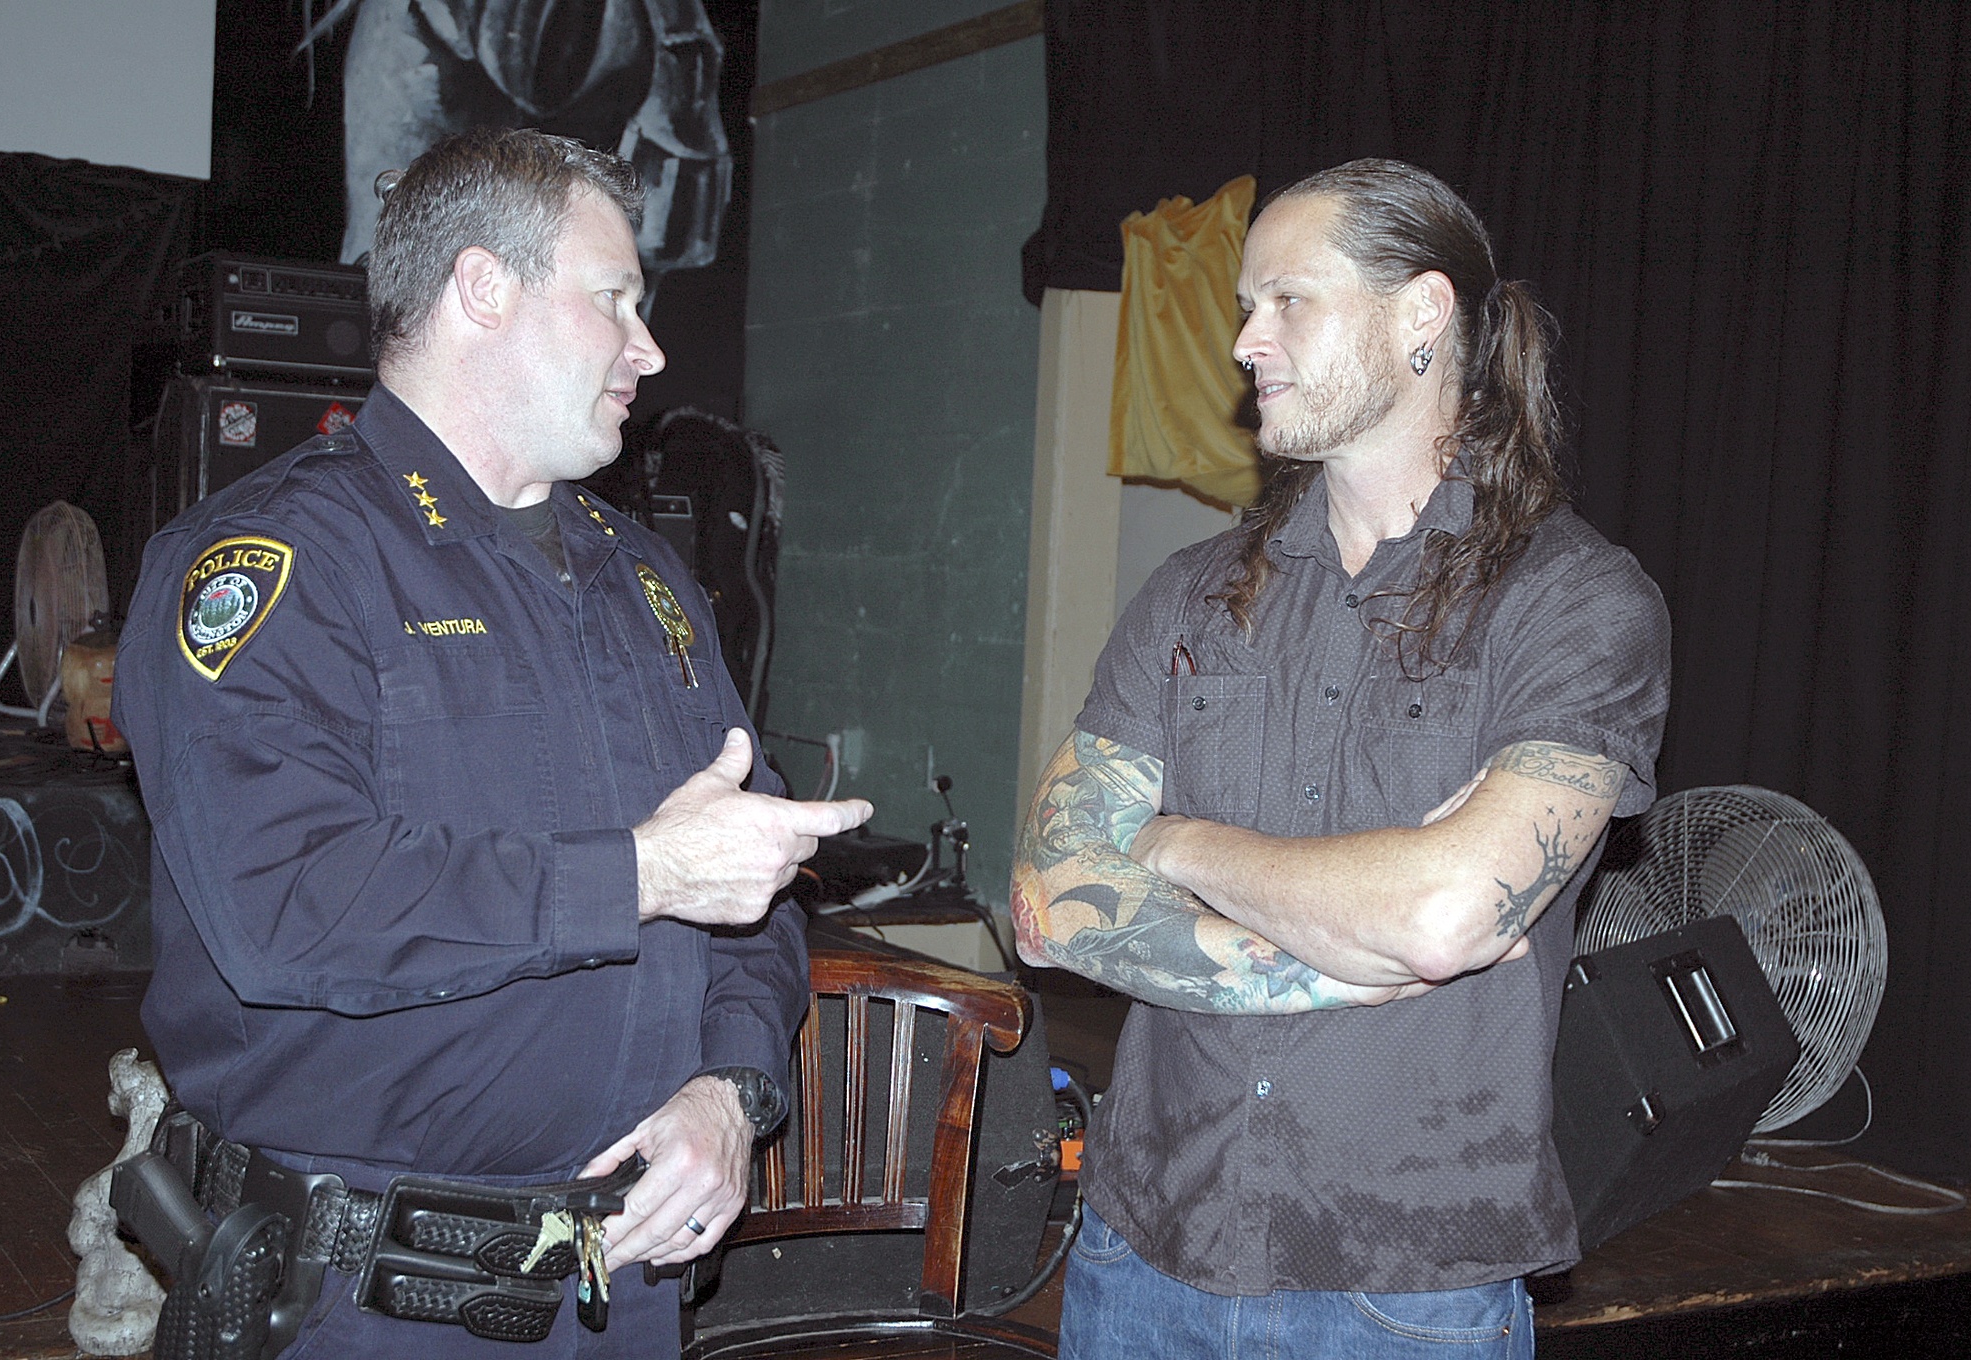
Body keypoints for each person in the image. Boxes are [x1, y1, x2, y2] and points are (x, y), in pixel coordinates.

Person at [114, 127, 870, 1358]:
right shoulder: (283, 565)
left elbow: (754, 868)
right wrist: (643, 873)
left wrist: (729, 1089)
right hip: (360, 1300)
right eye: (616, 299)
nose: (650, 348)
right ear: (483, 286)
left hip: (623, 1281)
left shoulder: (645, 577)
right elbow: (285, 902)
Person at [1011, 159, 1671, 1357]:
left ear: (1421, 316)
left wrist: (1174, 844)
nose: (1244, 342)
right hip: (1137, 1248)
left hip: (1400, 1288)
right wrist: (1358, 929)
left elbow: (1438, 913)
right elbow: (1050, 908)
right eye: (1240, 308)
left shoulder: (1574, 605)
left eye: (1284, 301)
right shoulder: (1191, 596)